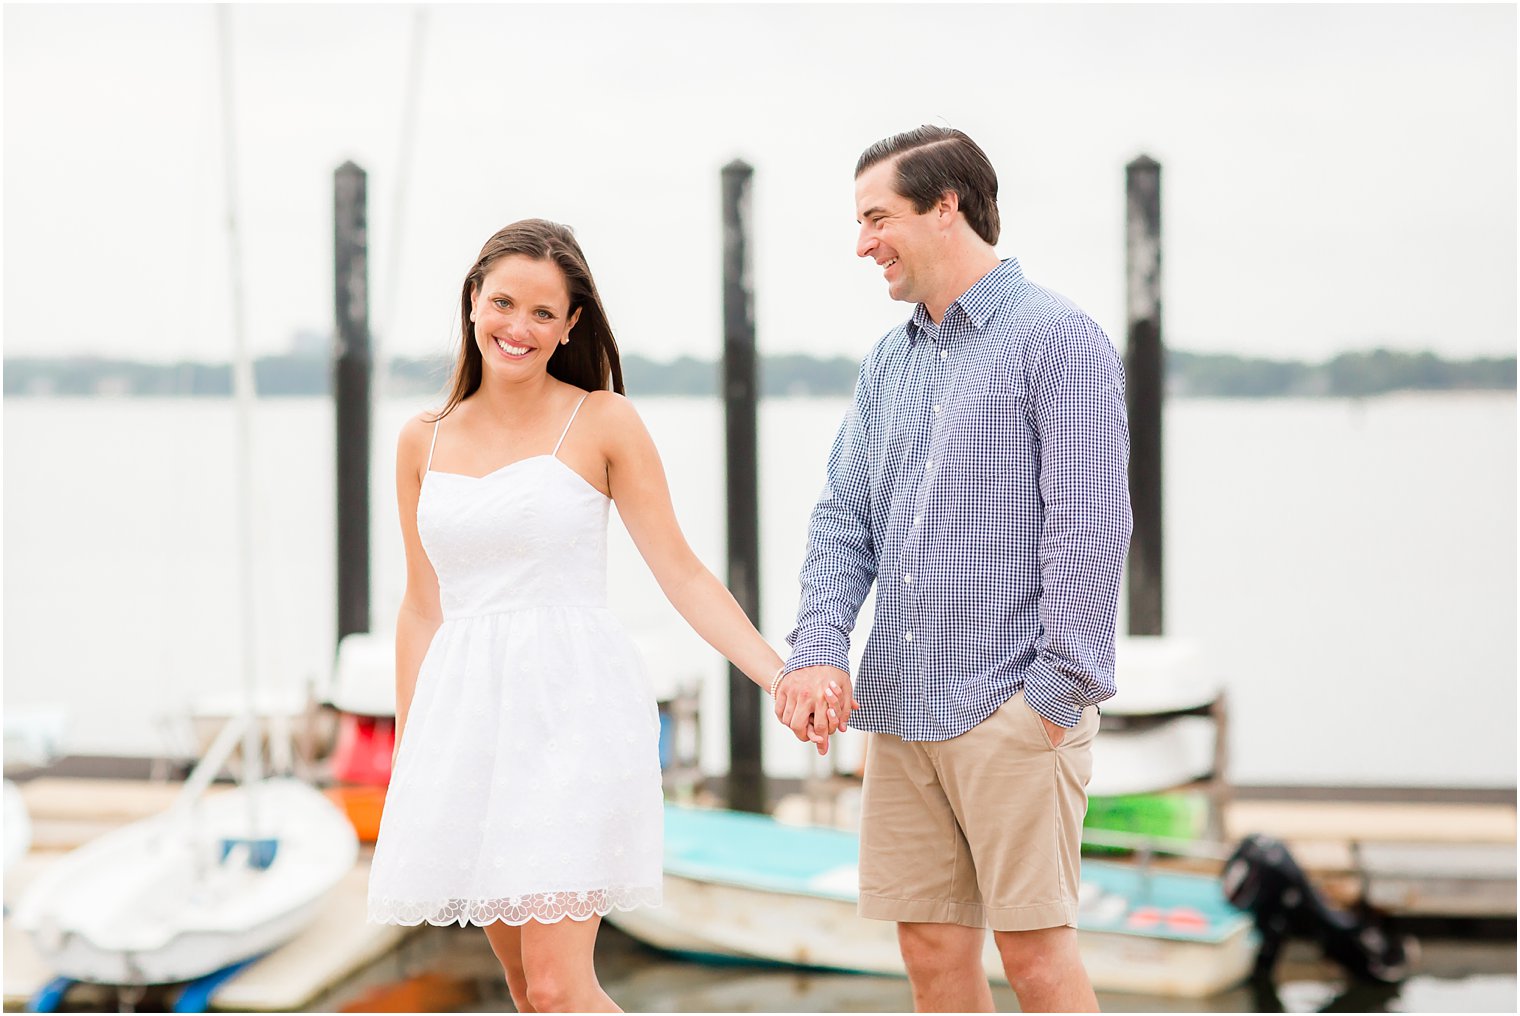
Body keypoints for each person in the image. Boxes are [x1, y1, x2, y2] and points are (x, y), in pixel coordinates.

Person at [366, 219, 820, 1013]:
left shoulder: (602, 420)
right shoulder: (420, 441)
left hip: (570, 714)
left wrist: (777, 676)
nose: (519, 327)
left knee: (557, 985)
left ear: (571, 324)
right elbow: (421, 607)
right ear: (473, 299)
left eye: (544, 313)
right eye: (504, 302)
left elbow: (681, 573)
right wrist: (415, 757)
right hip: (465, 727)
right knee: (526, 990)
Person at [774, 126, 1133, 1012]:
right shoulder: (888, 364)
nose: (862, 244)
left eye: (876, 218)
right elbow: (842, 521)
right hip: (900, 708)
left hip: (1012, 705)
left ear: (947, 207)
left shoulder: (1059, 339)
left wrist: (1053, 697)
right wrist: (819, 647)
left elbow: (1092, 526)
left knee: (1037, 959)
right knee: (931, 950)